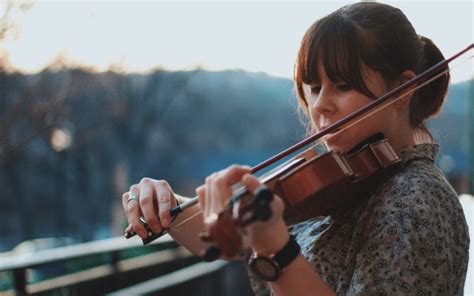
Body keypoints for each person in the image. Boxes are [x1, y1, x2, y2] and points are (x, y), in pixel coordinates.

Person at [121, 2, 469, 295]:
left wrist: (277, 251)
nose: (319, 106)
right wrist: (170, 207)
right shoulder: (351, 183)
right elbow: (217, 241)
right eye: (314, 87)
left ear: (403, 89)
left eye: (343, 85)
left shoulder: (416, 198)